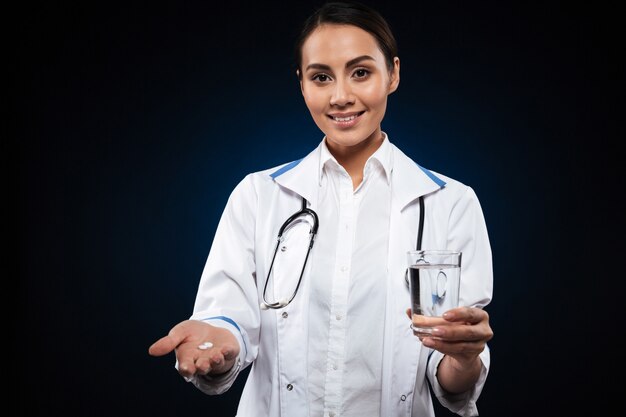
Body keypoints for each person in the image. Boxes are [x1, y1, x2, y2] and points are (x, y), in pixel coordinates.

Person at [148, 2, 494, 416]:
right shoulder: (258, 196)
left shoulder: (451, 203)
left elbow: (453, 382)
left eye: (361, 72)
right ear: (302, 84)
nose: (341, 96)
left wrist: (464, 357)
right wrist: (219, 342)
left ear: (394, 74)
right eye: (321, 77)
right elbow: (227, 322)